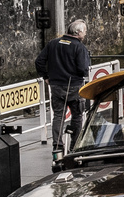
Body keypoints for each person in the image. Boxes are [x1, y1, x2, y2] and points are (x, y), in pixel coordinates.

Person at [37, 19, 91, 155]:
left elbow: (39, 61)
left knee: (58, 116)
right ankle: (75, 146)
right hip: (74, 86)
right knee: (77, 115)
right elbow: (83, 69)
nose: (85, 34)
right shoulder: (79, 47)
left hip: (55, 86)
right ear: (78, 33)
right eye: (84, 31)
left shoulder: (53, 44)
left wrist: (46, 77)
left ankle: (57, 146)